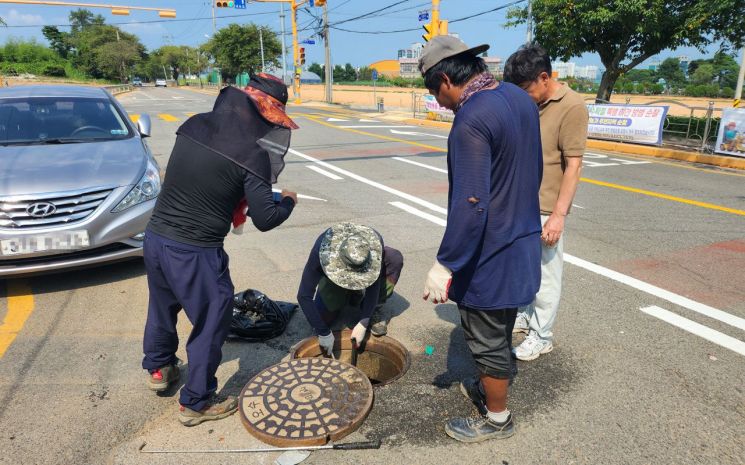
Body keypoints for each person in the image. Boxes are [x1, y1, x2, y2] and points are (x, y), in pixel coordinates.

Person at [141, 74, 299, 426]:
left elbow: (208, 180)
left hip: (155, 239)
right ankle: (196, 402)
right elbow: (266, 217)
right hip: (194, 251)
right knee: (213, 320)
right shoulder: (252, 154)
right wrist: (288, 200)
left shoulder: (194, 125)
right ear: (264, 116)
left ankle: (158, 368)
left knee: (162, 306)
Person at [419, 35, 543, 443]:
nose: (439, 102)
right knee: (503, 327)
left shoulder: (470, 119)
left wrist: (446, 263)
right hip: (523, 240)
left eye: (434, 92)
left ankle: (497, 418)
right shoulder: (518, 98)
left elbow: (471, 205)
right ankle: (496, 387)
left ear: (444, 80)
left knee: (487, 338)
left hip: (490, 256)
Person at [503, 44, 588, 361]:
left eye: (525, 89)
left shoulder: (572, 106)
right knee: (525, 270)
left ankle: (542, 335)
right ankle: (527, 315)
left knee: (548, 273)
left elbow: (574, 165)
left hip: (546, 208)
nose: (521, 96)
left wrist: (558, 216)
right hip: (521, 205)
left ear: (543, 77)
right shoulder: (530, 104)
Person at [297, 223, 403, 354]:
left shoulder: (374, 246)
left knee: (394, 258)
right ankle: (348, 296)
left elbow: (373, 287)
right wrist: (323, 332)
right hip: (333, 281)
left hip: (365, 271)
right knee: (319, 319)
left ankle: (366, 303)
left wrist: (364, 320)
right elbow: (303, 295)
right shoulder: (324, 248)